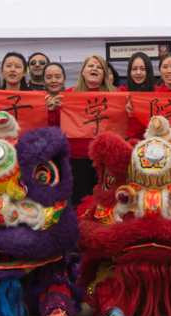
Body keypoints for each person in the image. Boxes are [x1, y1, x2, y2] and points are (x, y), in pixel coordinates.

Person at [69, 54, 118, 205]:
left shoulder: (116, 96)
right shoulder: (70, 95)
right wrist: (53, 110)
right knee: (81, 202)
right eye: (90, 66)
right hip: (78, 158)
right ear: (83, 71)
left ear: (104, 73)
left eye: (99, 67)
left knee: (105, 203)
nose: (94, 69)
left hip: (105, 159)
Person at [42, 62, 66, 127]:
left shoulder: (72, 100)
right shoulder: (39, 102)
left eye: (58, 77)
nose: (53, 80)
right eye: (49, 77)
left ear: (64, 80)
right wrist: (50, 111)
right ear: (43, 81)